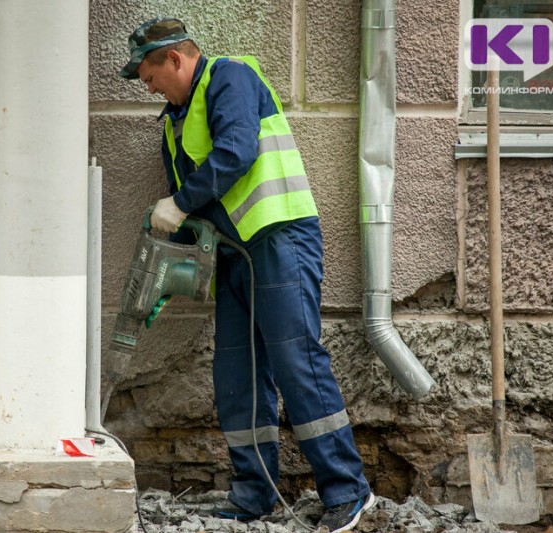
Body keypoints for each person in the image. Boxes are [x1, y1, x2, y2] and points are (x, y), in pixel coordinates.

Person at [119, 17, 375, 533]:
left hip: (279, 239)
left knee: (296, 361)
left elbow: (235, 152)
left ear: (174, 58)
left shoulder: (230, 77)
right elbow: (195, 203)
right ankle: (254, 493)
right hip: (236, 254)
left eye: (149, 76)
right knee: (236, 376)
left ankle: (349, 492)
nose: (147, 88)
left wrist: (179, 203)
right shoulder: (174, 118)